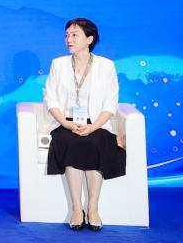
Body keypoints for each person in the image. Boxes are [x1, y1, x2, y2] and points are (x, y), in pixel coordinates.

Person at [44, 17, 126, 231]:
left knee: (96, 142)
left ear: (89, 39)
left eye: (74, 35)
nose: (68, 40)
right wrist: (66, 123)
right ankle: (76, 208)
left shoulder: (106, 66)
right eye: (66, 35)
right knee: (71, 142)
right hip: (65, 122)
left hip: (97, 123)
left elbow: (110, 103)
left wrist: (93, 126)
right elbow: (51, 100)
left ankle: (93, 208)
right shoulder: (58, 64)